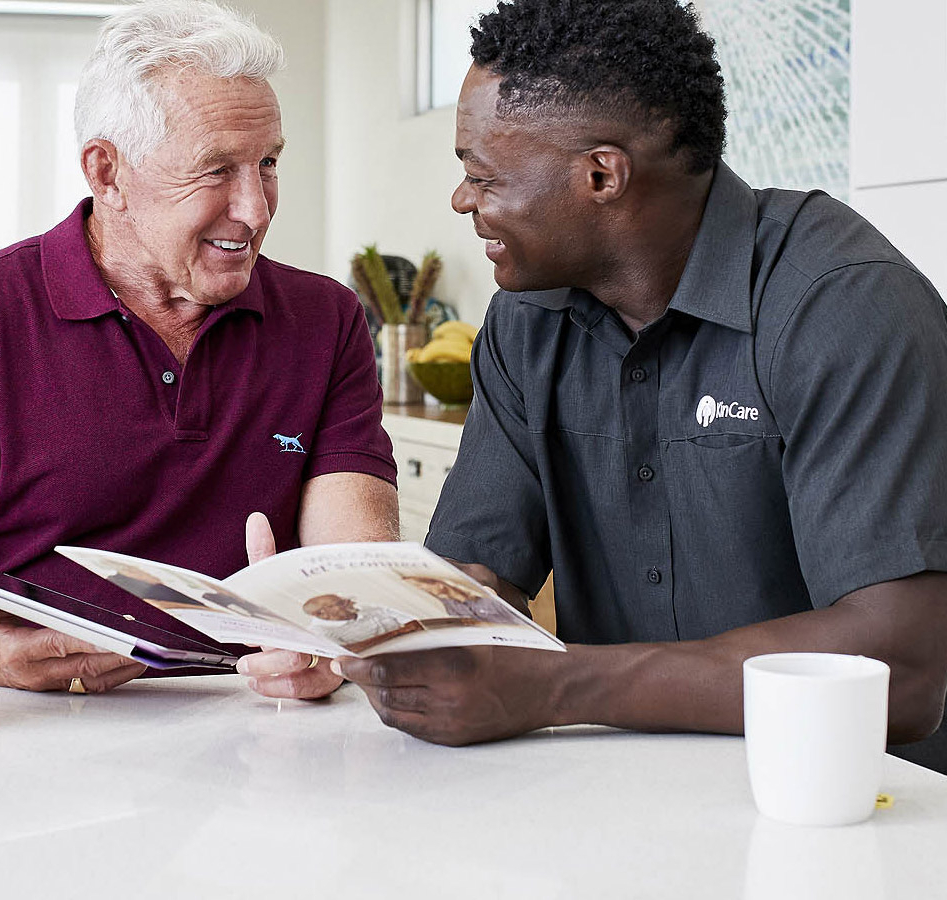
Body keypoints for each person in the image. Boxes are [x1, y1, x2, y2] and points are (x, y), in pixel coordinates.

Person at [332, 0, 947, 772]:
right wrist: (391, 636)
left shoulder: (842, 304)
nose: (463, 201)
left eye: (482, 177)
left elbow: (904, 672)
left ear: (601, 175)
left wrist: (558, 688)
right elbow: (477, 574)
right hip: (626, 797)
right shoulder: (526, 322)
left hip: (853, 803)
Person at [0, 0, 396, 699]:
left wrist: (334, 642)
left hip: (255, 724)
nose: (256, 208)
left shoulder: (328, 319)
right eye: (217, 169)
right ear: (107, 174)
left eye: (269, 162)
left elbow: (353, 572)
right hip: (28, 731)